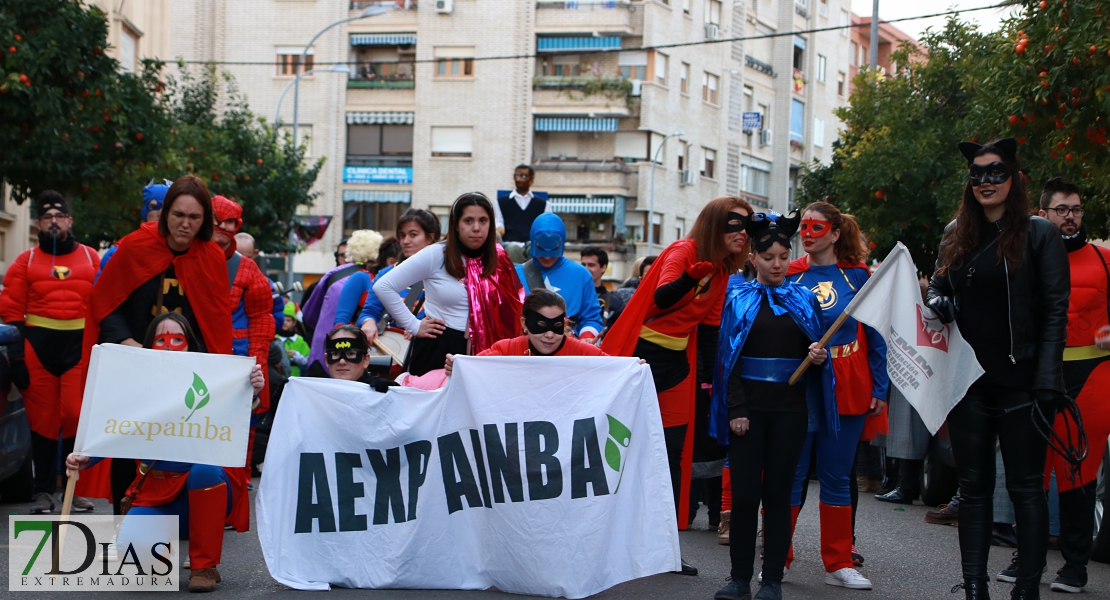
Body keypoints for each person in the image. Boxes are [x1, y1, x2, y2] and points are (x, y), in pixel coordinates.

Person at [926, 138, 1069, 600]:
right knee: (974, 489)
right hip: (969, 383)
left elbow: (1054, 310)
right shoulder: (956, 233)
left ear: (1014, 178)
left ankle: (1026, 589)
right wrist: (938, 300)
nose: (986, 182)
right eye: (977, 174)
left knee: (1027, 490)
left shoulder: (1040, 234)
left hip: (1023, 381)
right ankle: (974, 588)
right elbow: (936, 286)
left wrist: (1048, 377)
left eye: (996, 173)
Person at [601, 196, 753, 576]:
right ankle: (604, 539)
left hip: (676, 366)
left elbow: (712, 332)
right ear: (715, 225)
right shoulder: (684, 251)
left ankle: (663, 550)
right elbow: (659, 296)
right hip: (638, 358)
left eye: (748, 226)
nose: (743, 233)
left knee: (669, 459)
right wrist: (690, 277)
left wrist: (717, 384)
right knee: (619, 448)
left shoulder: (722, 272)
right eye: (734, 224)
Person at [65, 312, 262, 592]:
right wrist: (86, 457)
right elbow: (115, 430)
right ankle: (161, 549)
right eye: (160, 339)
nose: (169, 345)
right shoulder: (135, 386)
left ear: (190, 345)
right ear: (149, 345)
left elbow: (236, 419)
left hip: (207, 488)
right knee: (141, 567)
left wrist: (251, 391)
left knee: (205, 470)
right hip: (156, 492)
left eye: (177, 339)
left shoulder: (211, 381)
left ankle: (204, 565)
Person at [81, 174, 233, 511]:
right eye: (179, 215)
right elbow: (104, 305)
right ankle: (126, 514)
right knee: (128, 441)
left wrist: (219, 373)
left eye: (195, 218)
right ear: (165, 213)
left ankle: (173, 515)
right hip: (135, 363)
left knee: (183, 446)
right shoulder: (135, 246)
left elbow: (215, 322)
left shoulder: (210, 258)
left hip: (188, 370)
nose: (185, 224)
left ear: (205, 220)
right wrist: (127, 342)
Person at [710, 212, 834, 600]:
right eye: (769, 257)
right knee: (746, 497)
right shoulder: (738, 298)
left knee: (779, 497)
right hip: (748, 412)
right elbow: (727, 361)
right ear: (753, 258)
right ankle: (739, 579)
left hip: (790, 412)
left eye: (784, 256)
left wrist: (819, 357)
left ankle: (773, 581)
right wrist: (736, 409)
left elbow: (817, 353)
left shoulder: (804, 298)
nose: (778, 264)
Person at [785, 201, 888, 590]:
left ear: (834, 232)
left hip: (848, 382)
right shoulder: (791, 278)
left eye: (816, 227)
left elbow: (877, 334)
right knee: (791, 475)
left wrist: (880, 386)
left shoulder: (859, 278)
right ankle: (779, 557)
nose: (807, 234)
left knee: (836, 475)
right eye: (804, 228)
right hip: (803, 383)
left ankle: (839, 562)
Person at [1017, 176, 1108, 594]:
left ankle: (1075, 565)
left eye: (1076, 209)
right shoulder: (1025, 260)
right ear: (1043, 214)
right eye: (1061, 210)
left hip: (1091, 376)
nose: (1070, 217)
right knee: (1030, 472)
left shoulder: (1105, 259)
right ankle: (1026, 558)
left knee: (1079, 471)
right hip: (1037, 375)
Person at [0, 191, 100, 514]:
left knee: (75, 416)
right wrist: (16, 360)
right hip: (37, 350)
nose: (54, 222)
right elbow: (12, 311)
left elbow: (105, 304)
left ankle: (74, 490)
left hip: (79, 348)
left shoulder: (90, 259)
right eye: (47, 217)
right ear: (39, 223)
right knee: (42, 424)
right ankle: (43, 491)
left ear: (70, 221)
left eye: (59, 216)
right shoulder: (24, 261)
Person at [374, 192, 523, 377]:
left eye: (483, 221)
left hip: (486, 349)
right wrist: (414, 325)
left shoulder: (500, 258)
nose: (476, 228)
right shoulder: (436, 254)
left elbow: (514, 307)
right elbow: (383, 286)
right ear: (456, 225)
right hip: (439, 348)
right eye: (468, 221)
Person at [445, 289, 606, 375]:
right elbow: (472, 367)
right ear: (525, 323)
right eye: (541, 325)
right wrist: (457, 367)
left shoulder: (585, 354)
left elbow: (618, 370)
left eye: (556, 326)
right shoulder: (506, 350)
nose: (549, 335)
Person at [212, 195, 275, 410]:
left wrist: (256, 366)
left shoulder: (247, 269)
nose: (221, 226)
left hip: (236, 362)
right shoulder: (185, 258)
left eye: (228, 221)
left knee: (238, 433)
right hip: (190, 356)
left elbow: (261, 322)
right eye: (216, 219)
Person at [302, 230, 382, 376]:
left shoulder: (333, 274)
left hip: (322, 351)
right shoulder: (376, 278)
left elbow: (309, 315)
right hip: (353, 357)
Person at [515, 214, 604, 340]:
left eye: (553, 251)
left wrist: (587, 337)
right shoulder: (514, 275)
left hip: (568, 352)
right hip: (525, 352)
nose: (547, 257)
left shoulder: (581, 274)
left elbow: (591, 318)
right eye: (541, 249)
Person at [358, 208, 441, 343]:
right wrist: (368, 322)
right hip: (389, 351)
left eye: (413, 235)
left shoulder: (447, 276)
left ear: (430, 238)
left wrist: (418, 326)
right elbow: (369, 312)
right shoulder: (386, 274)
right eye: (402, 235)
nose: (405, 241)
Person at [98, 180, 169, 277]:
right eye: (154, 206)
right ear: (145, 210)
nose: (160, 213)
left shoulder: (184, 246)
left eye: (166, 207)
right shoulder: (124, 247)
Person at [323, 325, 398, 392]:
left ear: (366, 360)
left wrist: (392, 393)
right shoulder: (316, 395)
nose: (342, 361)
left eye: (351, 354)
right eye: (335, 354)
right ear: (326, 360)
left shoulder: (387, 392)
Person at [300, 239, 349, 340]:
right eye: (343, 255)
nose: (347, 259)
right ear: (337, 257)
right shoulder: (322, 284)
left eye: (350, 255)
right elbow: (309, 316)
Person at [494, 164, 551, 244]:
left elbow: (545, 227)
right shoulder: (500, 202)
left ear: (531, 180)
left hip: (533, 244)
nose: (518, 179)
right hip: (510, 244)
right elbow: (499, 223)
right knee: (513, 249)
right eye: (516, 175)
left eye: (523, 176)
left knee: (533, 249)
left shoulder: (544, 204)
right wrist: (498, 231)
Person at [580, 245, 625, 327]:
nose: (585, 269)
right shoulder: (570, 294)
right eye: (583, 265)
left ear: (603, 267)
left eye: (591, 265)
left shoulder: (614, 301)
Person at [277, 302, 311, 377]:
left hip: (296, 377)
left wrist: (296, 356)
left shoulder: (300, 340)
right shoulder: (275, 338)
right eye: (283, 320)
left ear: (294, 322)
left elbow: (307, 360)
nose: (285, 323)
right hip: (278, 378)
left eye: (288, 320)